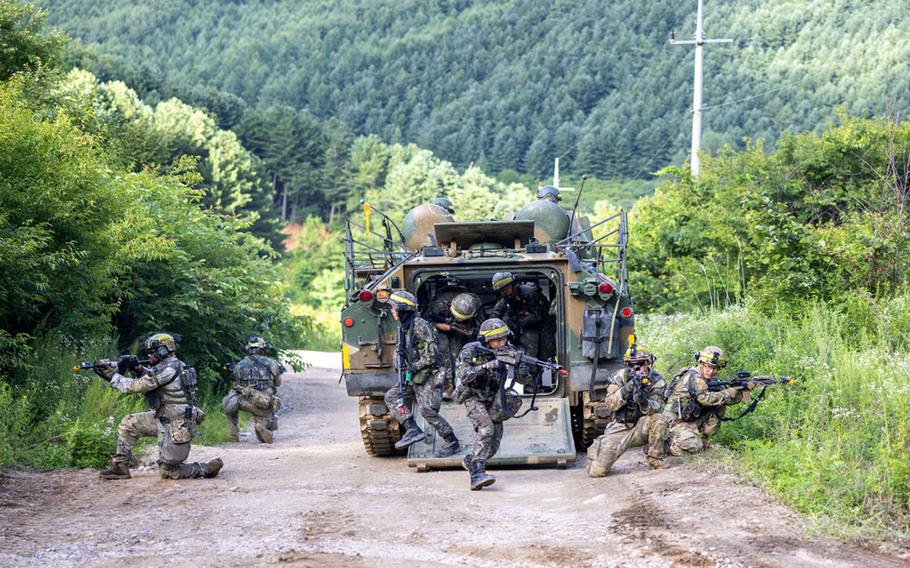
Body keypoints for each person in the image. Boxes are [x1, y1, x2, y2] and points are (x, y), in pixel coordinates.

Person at [96, 333, 223, 480]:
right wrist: (137, 369)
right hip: (163, 417)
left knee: (168, 471)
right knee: (129, 423)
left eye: (152, 351)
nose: (149, 355)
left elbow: (136, 386)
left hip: (176, 423)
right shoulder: (172, 365)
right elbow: (151, 376)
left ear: (163, 350)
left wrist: (112, 377)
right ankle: (120, 467)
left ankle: (204, 468)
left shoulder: (168, 369)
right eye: (148, 352)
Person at [454, 318, 535, 490]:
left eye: (503, 339)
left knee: (494, 444)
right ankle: (476, 475)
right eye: (496, 340)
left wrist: (523, 372)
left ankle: (471, 460)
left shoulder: (510, 351)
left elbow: (524, 381)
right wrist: (490, 365)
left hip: (494, 398)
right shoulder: (471, 350)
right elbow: (464, 374)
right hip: (472, 396)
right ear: (486, 340)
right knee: (486, 429)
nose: (501, 343)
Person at [383, 291, 460, 458]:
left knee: (427, 410)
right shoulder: (404, 327)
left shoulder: (419, 326)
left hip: (429, 375)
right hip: (415, 375)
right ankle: (412, 428)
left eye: (394, 308)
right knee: (392, 396)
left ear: (402, 309)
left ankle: (451, 440)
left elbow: (431, 355)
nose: (392, 311)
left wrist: (411, 368)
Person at [586, 342, 669, 477]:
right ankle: (599, 449)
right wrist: (625, 391)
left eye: (640, 364)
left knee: (659, 420)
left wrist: (643, 401)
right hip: (621, 427)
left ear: (648, 363)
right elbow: (609, 404)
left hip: (642, 427)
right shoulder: (620, 377)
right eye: (631, 364)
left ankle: (655, 458)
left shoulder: (657, 381)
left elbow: (658, 407)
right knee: (597, 471)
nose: (636, 368)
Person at [662, 346, 755, 455]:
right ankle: (666, 446)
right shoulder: (693, 376)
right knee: (692, 446)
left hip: (691, 420)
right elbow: (705, 399)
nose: (711, 371)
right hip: (675, 421)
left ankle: (702, 439)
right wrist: (728, 392)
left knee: (719, 403)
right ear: (701, 363)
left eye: (716, 368)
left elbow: (729, 400)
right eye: (708, 367)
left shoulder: (712, 380)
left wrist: (744, 390)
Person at [222, 336, 284, 444]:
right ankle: (261, 426)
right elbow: (278, 384)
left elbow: (236, 382)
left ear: (248, 348)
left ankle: (233, 435)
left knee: (231, 401)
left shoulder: (240, 365)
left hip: (243, 401)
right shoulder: (272, 363)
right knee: (263, 428)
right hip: (262, 402)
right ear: (263, 348)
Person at [430, 291, 484, 397]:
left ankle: (465, 384)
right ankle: (447, 384)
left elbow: (480, 326)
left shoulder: (475, 304)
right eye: (458, 317)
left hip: (462, 330)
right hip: (440, 329)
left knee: (464, 353)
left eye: (462, 318)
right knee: (443, 349)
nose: (459, 319)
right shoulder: (439, 304)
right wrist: (440, 325)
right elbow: (425, 320)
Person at [490, 272, 549, 358]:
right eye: (501, 290)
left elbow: (538, 315)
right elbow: (493, 318)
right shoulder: (503, 301)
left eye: (506, 287)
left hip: (539, 324)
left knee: (538, 349)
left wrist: (519, 322)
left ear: (512, 285)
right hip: (519, 325)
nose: (504, 291)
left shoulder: (529, 293)